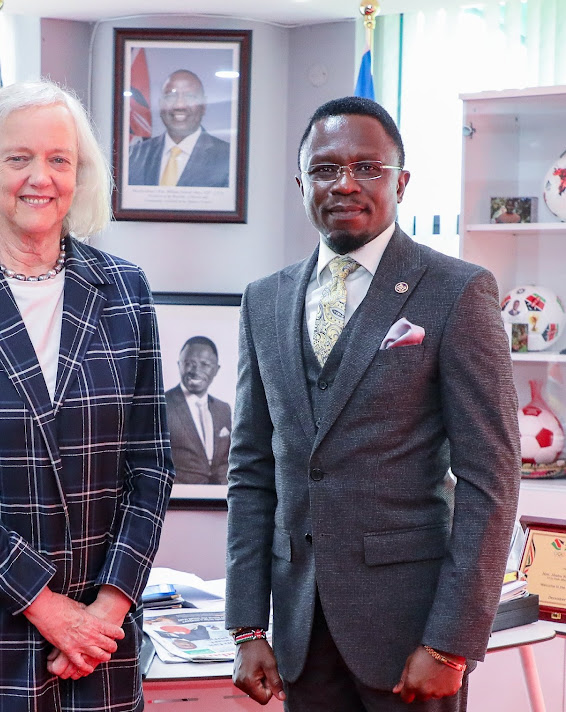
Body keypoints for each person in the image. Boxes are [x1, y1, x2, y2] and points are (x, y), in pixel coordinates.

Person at [225, 96, 520, 711]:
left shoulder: (458, 291)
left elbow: (491, 480)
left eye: (368, 167)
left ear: (401, 182)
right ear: (302, 181)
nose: (346, 183)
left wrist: (451, 643)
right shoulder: (264, 301)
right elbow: (252, 473)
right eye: (326, 168)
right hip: (300, 636)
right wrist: (248, 627)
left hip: (412, 635)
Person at [0, 80, 174, 712]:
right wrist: (51, 612)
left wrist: (108, 606)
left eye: (59, 159)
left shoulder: (126, 291)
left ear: (80, 173)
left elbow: (150, 467)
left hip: (99, 643)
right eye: (19, 158)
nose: (39, 177)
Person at [128, 69, 230, 187]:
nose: (179, 105)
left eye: (190, 96)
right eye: (171, 96)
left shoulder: (228, 158)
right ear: (160, 104)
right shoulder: (133, 156)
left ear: (204, 106)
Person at [165, 336, 232, 485]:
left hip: (220, 499)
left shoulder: (223, 409)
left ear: (216, 369)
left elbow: (227, 460)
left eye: (205, 364)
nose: (196, 371)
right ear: (179, 365)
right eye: (189, 363)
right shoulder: (162, 405)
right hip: (180, 499)